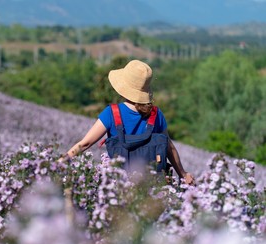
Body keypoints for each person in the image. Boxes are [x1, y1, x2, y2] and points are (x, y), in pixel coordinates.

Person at [64, 59, 194, 185]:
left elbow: (86, 143)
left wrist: (61, 162)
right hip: (152, 187)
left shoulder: (111, 113)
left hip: (120, 186)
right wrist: (183, 174)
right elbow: (169, 147)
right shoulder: (156, 114)